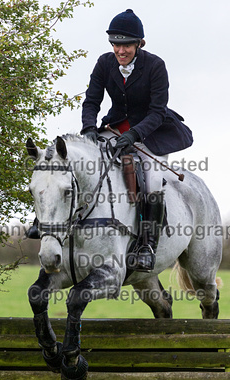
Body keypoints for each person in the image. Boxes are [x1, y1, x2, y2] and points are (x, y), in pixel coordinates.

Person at [80, 9, 193, 272]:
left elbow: (156, 112)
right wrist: (88, 129)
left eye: (126, 45)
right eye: (116, 44)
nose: (120, 50)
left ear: (139, 44)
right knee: (82, 162)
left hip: (150, 132)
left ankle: (147, 246)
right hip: (115, 127)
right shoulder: (103, 63)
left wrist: (134, 135)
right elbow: (92, 101)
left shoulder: (155, 66)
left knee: (153, 179)